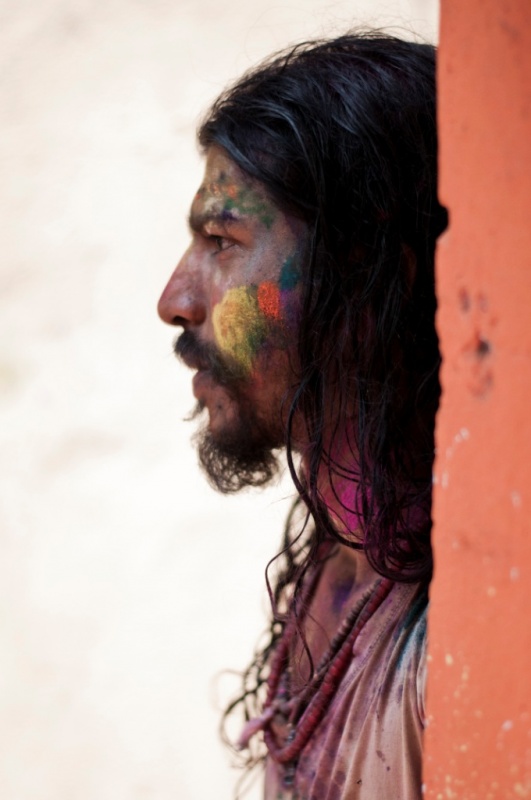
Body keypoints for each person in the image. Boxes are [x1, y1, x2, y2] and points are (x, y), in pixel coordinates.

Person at [158, 32, 447, 800]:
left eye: (222, 240)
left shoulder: (459, 637)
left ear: (365, 274)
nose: (174, 300)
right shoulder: (341, 557)